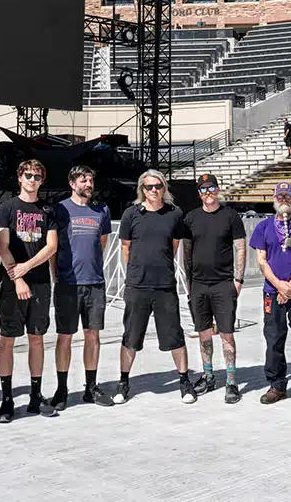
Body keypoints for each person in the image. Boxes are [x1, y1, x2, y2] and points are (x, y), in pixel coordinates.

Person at [109, 168, 196, 405]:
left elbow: (174, 246)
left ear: (164, 188)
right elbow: (125, 248)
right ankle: (123, 381)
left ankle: (184, 380)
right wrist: (137, 271)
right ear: (142, 190)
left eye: (158, 186)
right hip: (137, 285)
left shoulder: (174, 213)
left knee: (174, 334)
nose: (154, 190)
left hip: (165, 285)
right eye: (149, 187)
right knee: (131, 335)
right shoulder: (131, 214)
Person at [0, 159, 61, 422]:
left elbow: (51, 246)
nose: (32, 180)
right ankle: (7, 399)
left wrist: (27, 268)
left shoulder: (47, 210)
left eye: (37, 177)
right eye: (28, 175)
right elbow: (2, 246)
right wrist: (16, 276)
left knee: (36, 338)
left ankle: (35, 395)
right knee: (7, 339)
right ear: (19, 177)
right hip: (12, 283)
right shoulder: (7, 208)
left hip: (40, 282)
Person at [48, 164, 114, 409]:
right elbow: (53, 246)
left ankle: (91, 387)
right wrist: (56, 272)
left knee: (92, 335)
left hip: (95, 282)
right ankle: (62, 389)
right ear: (72, 183)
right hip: (67, 283)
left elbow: (102, 243)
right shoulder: (60, 209)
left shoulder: (102, 210)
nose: (88, 184)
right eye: (82, 180)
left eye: (90, 180)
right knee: (64, 336)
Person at [182, 173, 248, 403]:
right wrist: (189, 284)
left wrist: (238, 281)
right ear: (198, 193)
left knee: (227, 334)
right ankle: (208, 375)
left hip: (223, 284)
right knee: (203, 334)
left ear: (217, 190)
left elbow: (240, 248)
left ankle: (231, 380)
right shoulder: (190, 218)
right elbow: (186, 253)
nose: (208, 193)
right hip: (199, 284)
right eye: (203, 189)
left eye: (211, 188)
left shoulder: (230, 216)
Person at [248, 182, 291, 407]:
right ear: (274, 198)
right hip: (272, 291)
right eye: (281, 196)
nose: (284, 199)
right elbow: (261, 260)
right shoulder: (264, 227)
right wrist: (279, 285)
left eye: (288, 196)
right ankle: (276, 384)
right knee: (274, 338)